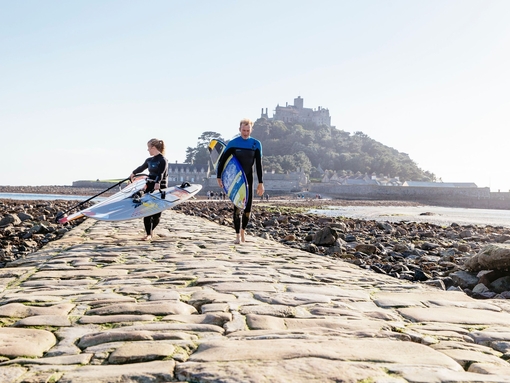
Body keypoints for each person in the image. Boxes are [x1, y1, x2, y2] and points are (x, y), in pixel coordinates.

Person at [217, 118, 264, 244]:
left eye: (248, 130)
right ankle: (237, 235)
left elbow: (258, 165)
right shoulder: (233, 144)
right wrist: (219, 177)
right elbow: (223, 161)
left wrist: (261, 183)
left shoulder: (256, 144)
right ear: (239, 129)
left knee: (248, 208)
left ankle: (243, 232)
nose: (245, 132)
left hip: (249, 179)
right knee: (237, 207)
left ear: (251, 130)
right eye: (243, 130)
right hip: (237, 180)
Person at [129, 138, 168, 241]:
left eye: (148, 148)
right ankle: (148, 234)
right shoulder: (149, 160)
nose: (148, 150)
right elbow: (141, 168)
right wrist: (133, 173)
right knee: (146, 211)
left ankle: (151, 232)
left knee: (156, 214)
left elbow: (161, 173)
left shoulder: (163, 160)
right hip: (149, 187)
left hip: (160, 189)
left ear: (153, 148)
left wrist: (157, 182)